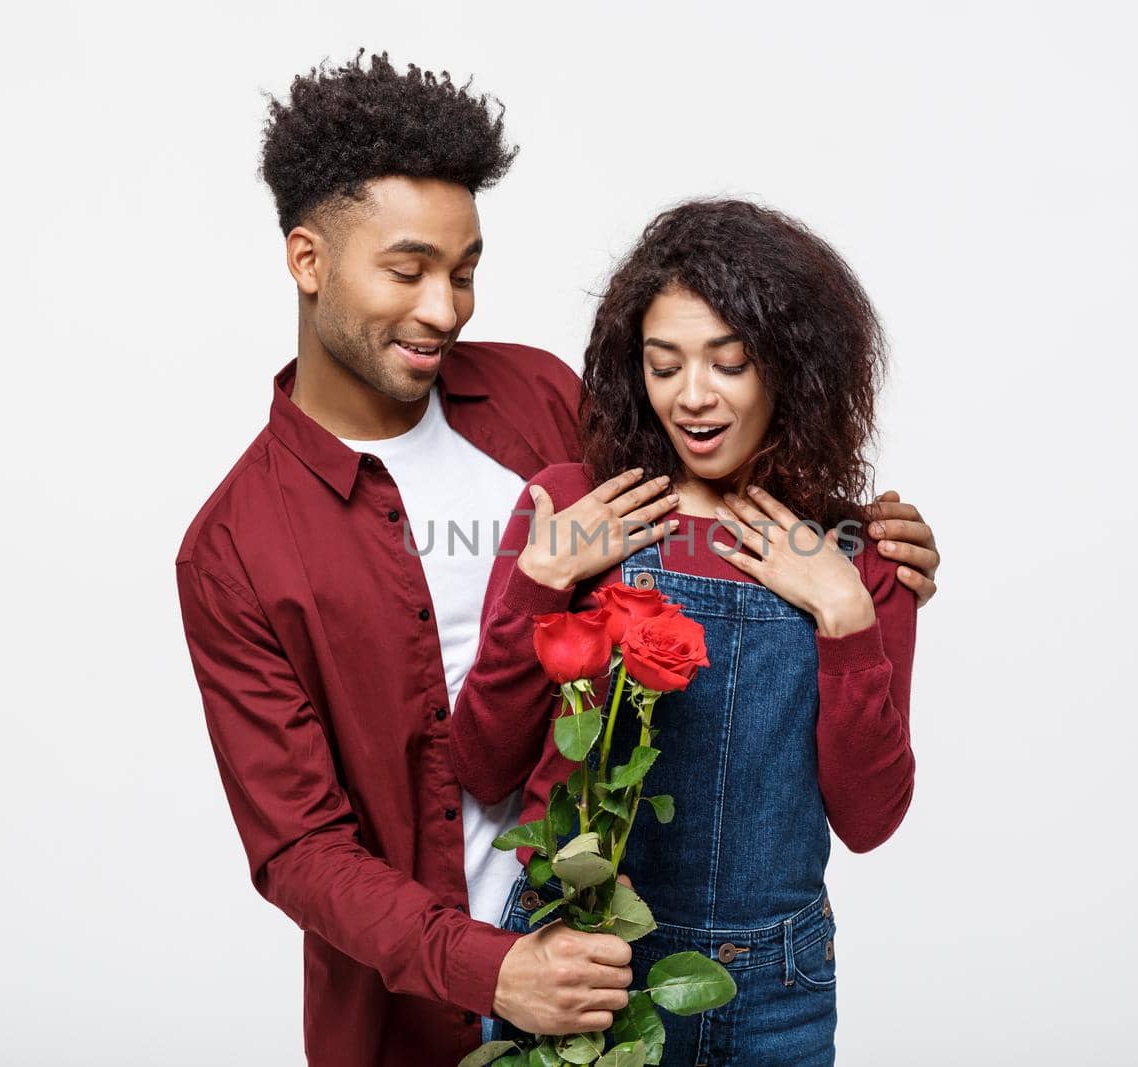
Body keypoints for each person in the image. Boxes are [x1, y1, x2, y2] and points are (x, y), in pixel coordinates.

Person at [174, 53, 942, 1067]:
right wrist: (489, 966)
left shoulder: (536, 398)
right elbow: (298, 846)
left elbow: (706, 485)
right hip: (434, 1002)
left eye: (465, 269)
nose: (447, 308)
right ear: (308, 259)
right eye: (407, 271)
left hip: (667, 958)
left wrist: (867, 548)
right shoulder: (236, 549)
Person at [453, 199, 921, 1064]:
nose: (692, 397)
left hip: (776, 990)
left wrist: (849, 619)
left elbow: (871, 816)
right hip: (583, 964)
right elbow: (481, 764)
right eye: (663, 365)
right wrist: (540, 583)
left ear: (792, 369)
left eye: (729, 363)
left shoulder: (864, 555)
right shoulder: (573, 506)